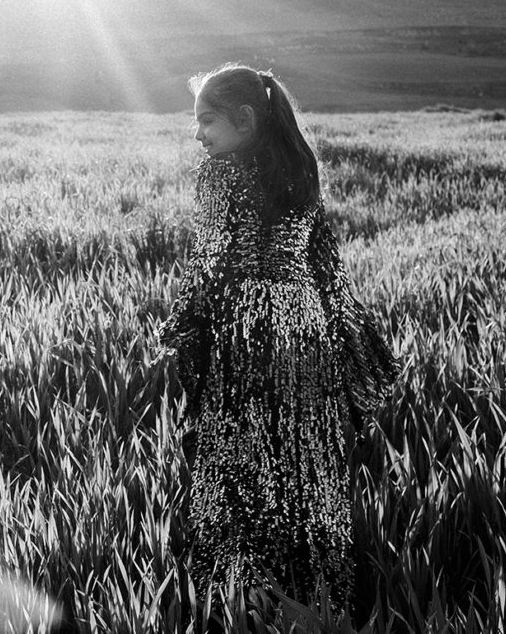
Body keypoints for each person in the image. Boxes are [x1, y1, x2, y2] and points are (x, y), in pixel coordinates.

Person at [158, 65, 397, 610]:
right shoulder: (300, 169)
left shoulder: (217, 176)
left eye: (206, 121)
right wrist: (349, 338)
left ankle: (242, 588)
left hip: (250, 326)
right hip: (306, 326)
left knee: (239, 446)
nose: (198, 135)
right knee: (300, 451)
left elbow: (208, 265)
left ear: (244, 119)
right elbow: (323, 265)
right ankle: (313, 586)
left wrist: (183, 333)